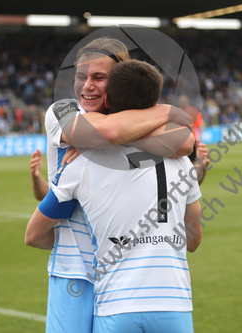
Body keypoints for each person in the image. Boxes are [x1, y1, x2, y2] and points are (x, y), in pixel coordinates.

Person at [28, 37, 194, 333]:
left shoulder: (135, 117)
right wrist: (166, 113)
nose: (86, 85)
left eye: (98, 77)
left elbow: (185, 142)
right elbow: (108, 131)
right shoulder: (62, 111)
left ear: (117, 80)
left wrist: (103, 142)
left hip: (120, 269)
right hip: (74, 269)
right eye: (81, 76)